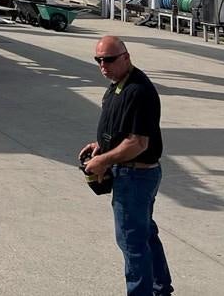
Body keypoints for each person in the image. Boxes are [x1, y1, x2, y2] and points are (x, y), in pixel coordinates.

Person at [81, 35, 173, 295]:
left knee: (132, 242)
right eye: (98, 60)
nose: (103, 65)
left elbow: (138, 143)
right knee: (145, 233)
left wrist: (103, 160)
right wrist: (101, 145)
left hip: (136, 176)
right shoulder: (117, 85)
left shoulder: (139, 91)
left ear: (126, 57)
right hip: (133, 174)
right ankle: (160, 288)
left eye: (109, 59)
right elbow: (120, 127)